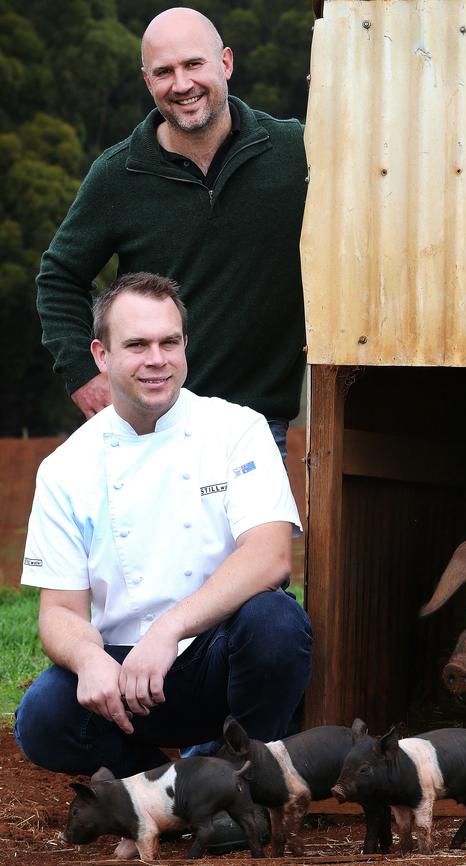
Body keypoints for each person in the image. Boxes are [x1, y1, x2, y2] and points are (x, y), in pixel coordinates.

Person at [15, 273, 312, 852]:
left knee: (277, 623)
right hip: (125, 680)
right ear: (100, 355)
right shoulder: (65, 468)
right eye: (137, 345)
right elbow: (59, 612)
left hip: (217, 656)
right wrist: (90, 658)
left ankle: (241, 786)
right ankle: (159, 786)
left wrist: (172, 626)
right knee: (42, 716)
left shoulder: (236, 430)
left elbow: (271, 555)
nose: (158, 360)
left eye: (169, 342)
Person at [36, 7, 307, 458]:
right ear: (148, 82)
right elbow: (58, 277)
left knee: (263, 533)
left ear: (226, 63)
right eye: (164, 72)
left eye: (193, 65)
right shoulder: (117, 174)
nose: (181, 85)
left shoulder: (295, 156)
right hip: (149, 427)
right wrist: (83, 374)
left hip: (256, 428)